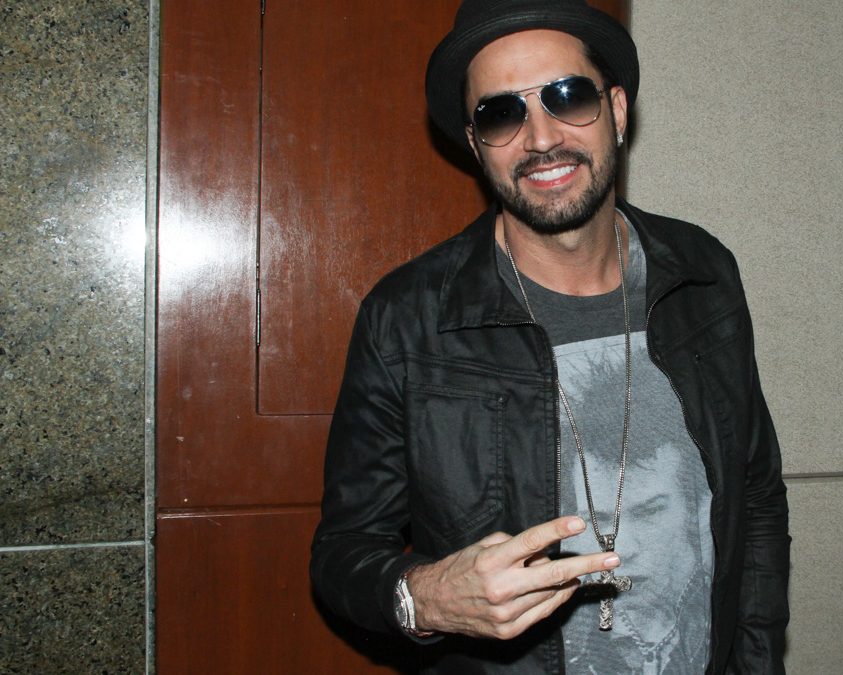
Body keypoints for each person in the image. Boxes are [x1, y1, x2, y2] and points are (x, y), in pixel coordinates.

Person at [310, 1, 790, 672]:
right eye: (500, 113)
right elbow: (342, 552)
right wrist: (428, 597)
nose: (540, 138)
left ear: (616, 110)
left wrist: (758, 661)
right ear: (475, 143)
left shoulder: (703, 273)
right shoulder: (408, 319)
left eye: (568, 97)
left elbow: (754, 493)